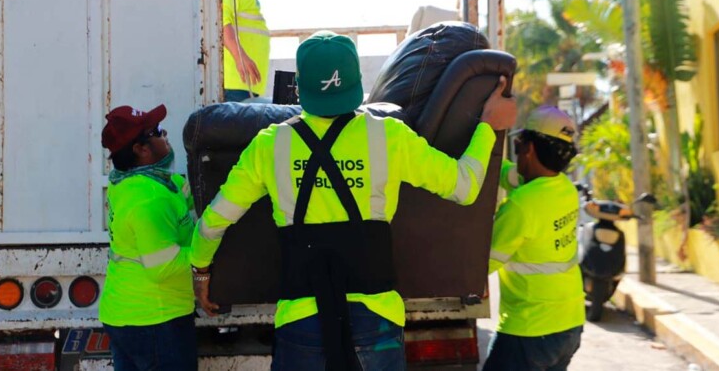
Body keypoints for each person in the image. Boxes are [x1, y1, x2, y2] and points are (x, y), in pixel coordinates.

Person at [190, 30, 517, 370]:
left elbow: (215, 221)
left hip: (301, 320)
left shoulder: (269, 145)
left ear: (300, 87)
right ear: (357, 82)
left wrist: (201, 272)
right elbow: (464, 187)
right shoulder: (388, 134)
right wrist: (487, 127)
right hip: (376, 320)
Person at [482, 105, 585, 371]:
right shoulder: (565, 188)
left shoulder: (520, 206)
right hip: (569, 326)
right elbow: (509, 175)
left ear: (527, 149)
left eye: (519, 144)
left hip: (529, 330)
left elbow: (483, 264)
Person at [99, 104, 197, 371]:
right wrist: (209, 257)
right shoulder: (149, 200)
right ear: (140, 149)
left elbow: (181, 192)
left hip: (125, 313)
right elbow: (164, 267)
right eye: (156, 131)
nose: (165, 134)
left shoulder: (127, 182)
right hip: (154, 319)